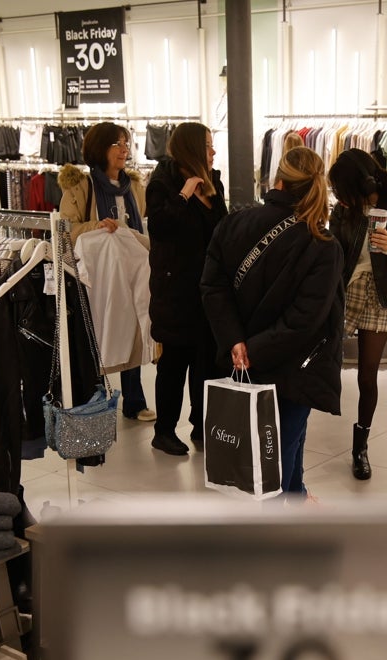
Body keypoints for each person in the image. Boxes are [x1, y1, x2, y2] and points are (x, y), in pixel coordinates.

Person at [201, 146, 344, 500]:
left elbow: (212, 287)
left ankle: (292, 505)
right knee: (281, 456)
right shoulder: (322, 244)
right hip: (293, 370)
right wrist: (254, 348)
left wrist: (236, 341)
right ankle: (280, 535)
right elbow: (304, 320)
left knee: (264, 458)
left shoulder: (233, 223)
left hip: (241, 364)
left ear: (277, 179)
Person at [328, 148, 387, 481]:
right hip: (345, 292)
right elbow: (332, 255)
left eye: (342, 188)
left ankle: (360, 448)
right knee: (318, 361)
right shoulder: (344, 211)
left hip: (382, 296)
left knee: (367, 377)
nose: (339, 196)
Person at [58, 121, 155, 422]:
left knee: (133, 328)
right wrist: (96, 227)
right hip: (96, 277)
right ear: (100, 148)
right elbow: (64, 231)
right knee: (100, 333)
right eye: (116, 144)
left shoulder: (135, 187)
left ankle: (134, 400)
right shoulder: (80, 189)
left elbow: (142, 225)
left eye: (126, 143)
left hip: (130, 271)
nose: (124, 149)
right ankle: (99, 400)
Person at [146, 121, 228, 456]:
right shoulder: (163, 181)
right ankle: (163, 431)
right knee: (174, 365)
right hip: (175, 293)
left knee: (206, 363)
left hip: (207, 291)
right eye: (208, 145)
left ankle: (202, 426)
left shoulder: (214, 183)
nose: (213, 151)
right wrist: (184, 193)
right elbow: (162, 228)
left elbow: (222, 230)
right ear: (193, 148)